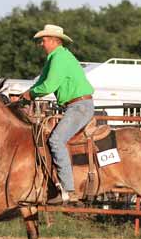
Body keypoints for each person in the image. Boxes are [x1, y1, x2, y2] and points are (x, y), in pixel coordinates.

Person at [21, 24, 95, 204]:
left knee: (55, 140)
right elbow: (41, 82)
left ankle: (68, 189)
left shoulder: (60, 58)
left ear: (54, 41)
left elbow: (48, 86)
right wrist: (25, 97)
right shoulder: (54, 58)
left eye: (44, 40)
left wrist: (28, 95)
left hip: (79, 106)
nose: (41, 44)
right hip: (76, 106)